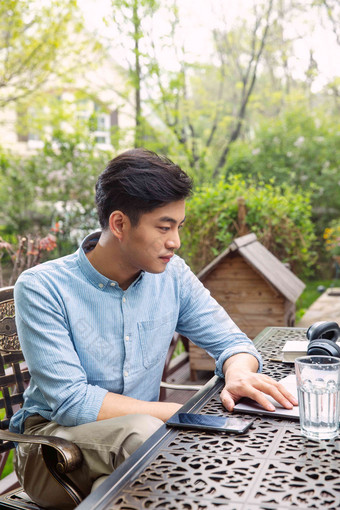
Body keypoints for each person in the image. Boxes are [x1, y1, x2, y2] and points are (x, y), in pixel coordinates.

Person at [10, 148, 297, 508]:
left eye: (178, 226)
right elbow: (71, 402)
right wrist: (194, 414)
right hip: (53, 451)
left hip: (135, 446)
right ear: (119, 224)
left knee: (131, 481)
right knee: (148, 440)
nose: (175, 241)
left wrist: (238, 371)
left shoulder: (172, 275)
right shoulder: (42, 287)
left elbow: (231, 341)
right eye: (164, 227)